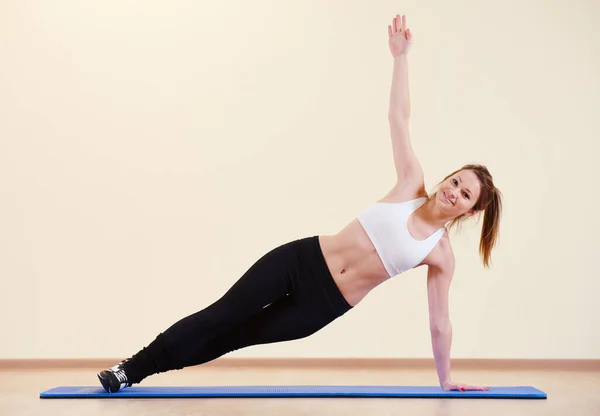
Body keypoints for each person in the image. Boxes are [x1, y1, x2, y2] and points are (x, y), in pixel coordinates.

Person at [97, 13, 501, 393]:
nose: (453, 191)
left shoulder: (441, 254)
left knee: (233, 337)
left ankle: (142, 372)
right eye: (456, 181)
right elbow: (399, 117)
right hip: (300, 261)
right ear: (448, 177)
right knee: (221, 315)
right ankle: (130, 369)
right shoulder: (411, 183)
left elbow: (440, 322)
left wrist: (446, 379)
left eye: (465, 195)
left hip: (322, 305)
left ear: (470, 211)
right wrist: (400, 59)